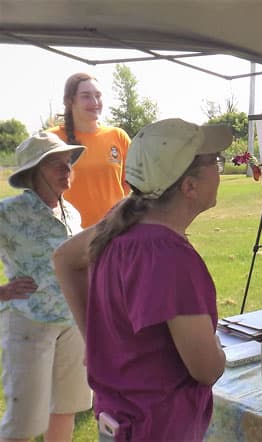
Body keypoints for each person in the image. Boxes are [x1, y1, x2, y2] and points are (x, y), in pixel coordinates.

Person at [52, 118, 231, 441]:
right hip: (158, 425)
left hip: (122, 418)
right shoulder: (170, 257)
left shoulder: (122, 224)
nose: (220, 169)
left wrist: (93, 339)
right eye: (214, 162)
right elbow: (206, 370)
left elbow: (64, 259)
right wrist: (218, 350)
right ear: (189, 187)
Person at [0, 132, 91, 441]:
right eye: (56, 164)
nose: (67, 170)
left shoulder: (71, 212)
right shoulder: (7, 213)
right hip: (29, 324)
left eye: (68, 163)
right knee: (24, 421)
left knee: (66, 408)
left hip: (71, 322)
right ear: (33, 171)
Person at [48, 72, 131, 228]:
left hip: (113, 233)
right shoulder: (51, 138)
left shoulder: (118, 136)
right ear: (69, 101)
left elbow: (129, 184)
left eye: (98, 95)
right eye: (86, 96)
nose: (95, 102)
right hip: (67, 235)